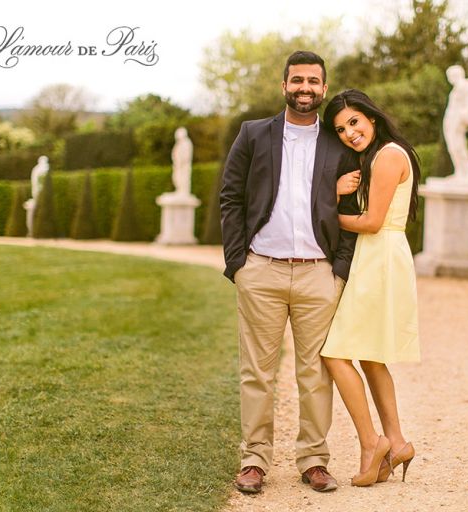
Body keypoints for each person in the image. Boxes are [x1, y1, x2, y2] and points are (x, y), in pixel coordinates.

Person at [220, 51, 358, 494]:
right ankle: (254, 460)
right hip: (261, 270)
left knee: (316, 371)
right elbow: (230, 198)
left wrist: (339, 270)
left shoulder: (339, 144)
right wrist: (238, 263)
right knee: (256, 371)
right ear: (284, 86)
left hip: (319, 273)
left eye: (313, 81)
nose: (305, 88)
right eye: (297, 80)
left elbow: (352, 208)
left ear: (323, 87)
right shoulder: (254, 134)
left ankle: (314, 460)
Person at [320, 89, 421, 487]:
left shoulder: (389, 155)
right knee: (373, 357)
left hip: (378, 255)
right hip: (380, 256)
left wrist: (327, 207)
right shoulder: (381, 155)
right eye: (341, 129)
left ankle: (372, 443)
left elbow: (372, 221)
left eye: (354, 122)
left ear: (372, 119)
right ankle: (396, 443)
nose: (349, 133)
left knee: (335, 354)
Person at [443, 64, 468, 183]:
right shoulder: (456, 89)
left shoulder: (467, 85)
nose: (449, 79)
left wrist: (463, 117)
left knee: (458, 146)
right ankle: (460, 172)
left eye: (450, 76)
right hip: (451, 120)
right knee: (453, 147)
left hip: (458, 120)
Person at [171, 127, 193, 196]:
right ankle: (179, 191)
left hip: (183, 167)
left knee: (183, 179)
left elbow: (186, 156)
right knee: (176, 178)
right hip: (178, 166)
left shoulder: (186, 143)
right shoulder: (179, 143)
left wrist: (180, 162)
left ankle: (182, 192)